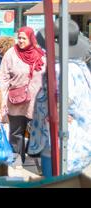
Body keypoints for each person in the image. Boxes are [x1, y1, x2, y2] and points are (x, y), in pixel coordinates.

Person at [29, 19, 91, 174]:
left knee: (55, 177)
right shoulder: (78, 67)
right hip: (76, 137)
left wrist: (58, 112)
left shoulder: (61, 69)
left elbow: (64, 96)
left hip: (59, 137)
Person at [0, 26, 46, 164]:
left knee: (37, 131)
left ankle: (34, 159)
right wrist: (1, 100)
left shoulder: (41, 54)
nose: (20, 40)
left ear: (31, 39)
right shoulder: (10, 54)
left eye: (23, 38)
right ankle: (17, 159)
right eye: (19, 37)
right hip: (16, 101)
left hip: (37, 101)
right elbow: (3, 78)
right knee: (16, 133)